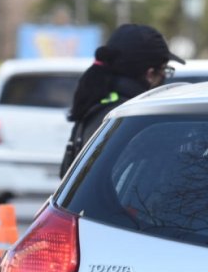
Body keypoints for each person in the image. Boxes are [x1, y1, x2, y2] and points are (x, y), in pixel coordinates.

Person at [60, 23, 185, 177]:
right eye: (165, 70)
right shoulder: (134, 120)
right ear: (150, 74)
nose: (166, 77)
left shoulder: (97, 108)